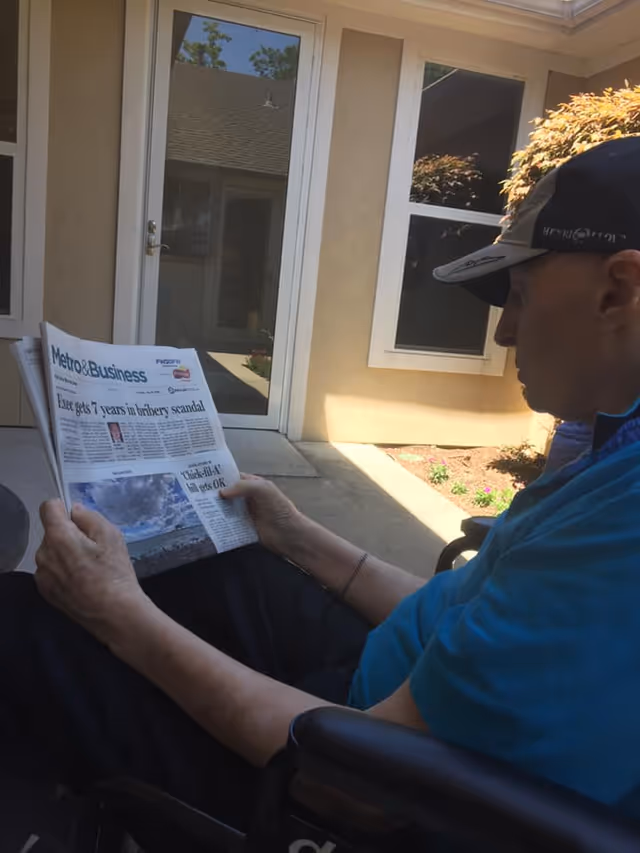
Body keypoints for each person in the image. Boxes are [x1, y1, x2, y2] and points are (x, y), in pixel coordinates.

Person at [6, 137, 640, 832]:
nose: (507, 330)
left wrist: (117, 614)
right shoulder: (613, 451)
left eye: (519, 294)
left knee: (30, 622)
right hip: (388, 674)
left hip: (331, 776)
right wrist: (297, 535)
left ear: (618, 289)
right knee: (212, 563)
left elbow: (367, 787)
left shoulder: (620, 527)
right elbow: (466, 609)